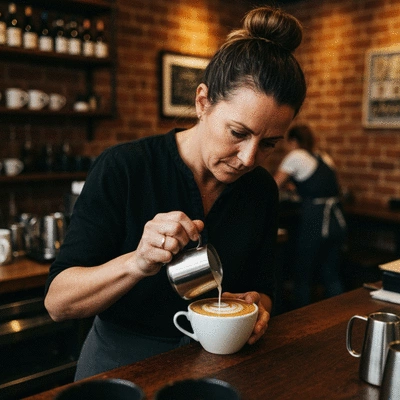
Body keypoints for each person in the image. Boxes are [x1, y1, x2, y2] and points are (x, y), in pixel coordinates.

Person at [44, 6, 307, 380]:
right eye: (238, 133)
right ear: (203, 102)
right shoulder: (125, 167)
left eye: (269, 144)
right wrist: (137, 261)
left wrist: (257, 309)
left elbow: (264, 290)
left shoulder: (260, 189)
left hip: (217, 366)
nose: (249, 159)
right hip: (120, 366)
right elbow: (58, 302)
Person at [274, 125, 346, 308]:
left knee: (303, 272)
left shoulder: (296, 156)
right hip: (336, 217)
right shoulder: (324, 156)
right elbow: (336, 186)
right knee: (331, 272)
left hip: (315, 218)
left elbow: (273, 186)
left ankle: (300, 318)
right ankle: (338, 315)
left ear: (293, 141)